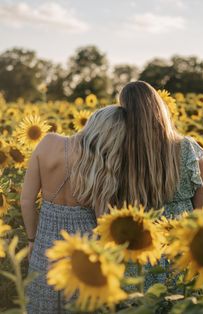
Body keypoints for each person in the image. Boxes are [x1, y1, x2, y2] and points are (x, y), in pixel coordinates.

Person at [20, 105, 126, 314]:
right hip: (85, 249)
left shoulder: (48, 142)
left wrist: (32, 239)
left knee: (42, 304)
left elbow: (26, 200)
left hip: (45, 243)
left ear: (93, 122)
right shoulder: (102, 164)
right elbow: (103, 220)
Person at [117, 81, 203, 289]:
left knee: (140, 304)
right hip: (180, 247)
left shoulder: (118, 154)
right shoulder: (189, 150)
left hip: (137, 245)